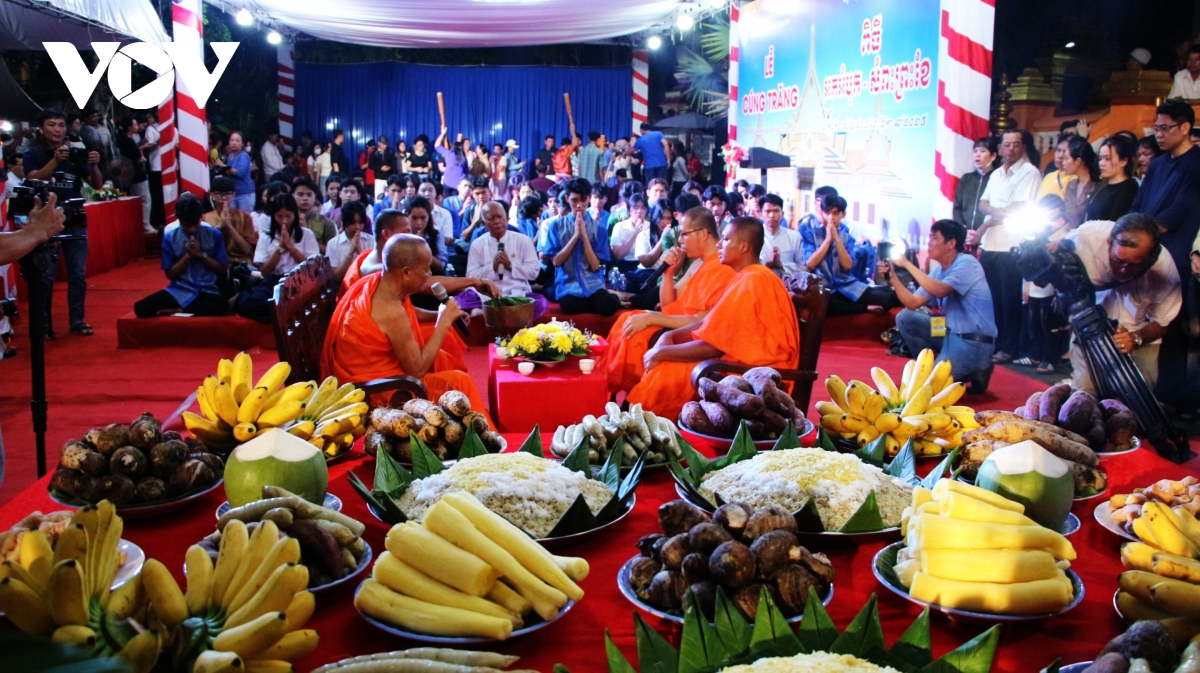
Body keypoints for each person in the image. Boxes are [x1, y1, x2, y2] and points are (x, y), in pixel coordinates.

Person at [626, 217, 800, 419]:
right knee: (665, 359)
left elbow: (714, 345)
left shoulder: (753, 280)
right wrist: (670, 336)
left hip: (758, 377)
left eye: (726, 239)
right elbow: (709, 324)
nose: (719, 244)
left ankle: (638, 421)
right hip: (737, 364)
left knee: (667, 369)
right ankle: (636, 417)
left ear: (744, 247)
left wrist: (662, 352)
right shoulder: (746, 276)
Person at [320, 234, 490, 412]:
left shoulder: (378, 282)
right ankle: (476, 429)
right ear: (406, 272)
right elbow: (417, 370)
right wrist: (443, 322)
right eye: (426, 269)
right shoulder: (390, 310)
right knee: (461, 382)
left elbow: (409, 312)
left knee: (440, 357)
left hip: (378, 374)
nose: (429, 274)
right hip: (380, 390)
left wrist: (439, 315)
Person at [601, 207, 736, 396]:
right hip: (676, 324)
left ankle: (633, 392)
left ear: (703, 234)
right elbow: (668, 306)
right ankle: (612, 385)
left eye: (684, 234)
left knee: (636, 332)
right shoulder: (699, 264)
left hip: (689, 335)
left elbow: (702, 321)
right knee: (627, 319)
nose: (680, 240)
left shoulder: (724, 269)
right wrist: (668, 272)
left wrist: (651, 318)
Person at [1129, 100, 1200, 413]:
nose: (1158, 134)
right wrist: (1129, 231)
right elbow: (1139, 204)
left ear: (1185, 127)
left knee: (1179, 331)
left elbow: (1180, 209)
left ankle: (1181, 398)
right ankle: (1153, 390)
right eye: (1156, 128)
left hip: (1179, 254)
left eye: (1165, 128)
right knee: (1149, 322)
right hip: (1149, 255)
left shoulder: (1196, 164)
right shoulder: (1157, 165)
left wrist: (1144, 234)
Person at [1066, 215, 1181, 395]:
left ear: (1151, 257)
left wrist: (1136, 338)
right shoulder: (1086, 237)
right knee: (1084, 397)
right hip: (1090, 328)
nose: (1123, 270)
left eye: (1134, 265)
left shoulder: (1165, 271)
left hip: (1140, 335)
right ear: (1109, 243)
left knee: (1137, 402)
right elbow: (1056, 255)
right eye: (1117, 261)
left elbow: (1162, 323)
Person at [881, 219, 997, 388]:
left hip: (972, 341)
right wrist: (892, 276)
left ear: (951, 243)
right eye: (929, 238)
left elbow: (940, 290)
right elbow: (912, 302)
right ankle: (929, 366)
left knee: (928, 388)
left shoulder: (968, 263)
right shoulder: (939, 270)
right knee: (905, 317)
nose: (929, 243)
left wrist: (907, 264)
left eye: (934, 238)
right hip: (948, 332)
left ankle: (979, 369)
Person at [23, 108, 103, 338]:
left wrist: (95, 164)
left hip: (74, 217)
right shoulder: (33, 154)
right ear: (41, 129)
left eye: (61, 125)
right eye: (51, 125)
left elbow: (96, 184)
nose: (57, 129)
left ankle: (77, 319)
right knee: (46, 275)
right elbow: (34, 179)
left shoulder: (76, 153)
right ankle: (44, 324)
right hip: (45, 221)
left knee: (77, 273)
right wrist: (56, 160)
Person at [969, 129, 1040, 365]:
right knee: (993, 300)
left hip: (1012, 245)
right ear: (999, 148)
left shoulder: (1029, 173)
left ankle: (1010, 348)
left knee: (1010, 300)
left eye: (1016, 144)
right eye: (1006, 144)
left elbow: (1019, 209)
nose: (1011, 148)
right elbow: (983, 204)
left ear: (1023, 147)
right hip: (991, 244)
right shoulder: (997, 173)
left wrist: (989, 219)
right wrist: (997, 213)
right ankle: (995, 343)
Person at [134, 193, 229, 318]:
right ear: (179, 220)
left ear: (201, 217)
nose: (192, 229)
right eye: (187, 225)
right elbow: (170, 274)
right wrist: (188, 255)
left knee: (222, 305)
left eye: (195, 224)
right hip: (179, 290)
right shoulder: (170, 238)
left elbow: (223, 268)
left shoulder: (214, 234)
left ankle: (180, 310)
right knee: (141, 308)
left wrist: (201, 255)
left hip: (207, 290)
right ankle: (189, 309)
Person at [803, 193, 899, 315]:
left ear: (843, 214)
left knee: (891, 297)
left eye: (835, 213)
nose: (831, 218)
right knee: (823, 303)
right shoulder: (811, 235)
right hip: (823, 289)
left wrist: (837, 239)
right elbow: (810, 264)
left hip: (847, 286)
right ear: (822, 213)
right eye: (828, 213)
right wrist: (827, 240)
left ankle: (856, 306)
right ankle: (864, 308)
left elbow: (848, 266)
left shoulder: (847, 238)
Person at [462, 201, 547, 319]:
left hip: (516, 292)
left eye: (499, 216)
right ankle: (508, 314)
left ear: (507, 218)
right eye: (491, 218)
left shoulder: (524, 240)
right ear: (483, 223)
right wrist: (492, 267)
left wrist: (510, 266)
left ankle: (487, 312)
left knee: (540, 302)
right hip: (486, 294)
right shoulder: (477, 244)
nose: (497, 221)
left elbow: (533, 272)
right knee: (463, 300)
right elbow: (470, 276)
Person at [545, 177, 618, 315]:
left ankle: (605, 300)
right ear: (567, 198)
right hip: (568, 285)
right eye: (574, 200)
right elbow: (556, 262)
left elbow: (595, 266)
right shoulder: (556, 226)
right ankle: (597, 304)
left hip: (593, 284)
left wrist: (584, 236)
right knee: (568, 305)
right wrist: (575, 236)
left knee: (608, 307)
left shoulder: (599, 228)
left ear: (589, 198)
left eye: (583, 200)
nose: (579, 205)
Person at [253, 193, 321, 277]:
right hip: (274, 280)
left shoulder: (307, 234)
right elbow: (264, 271)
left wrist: (290, 247)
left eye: (288, 216)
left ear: (295, 215)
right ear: (273, 216)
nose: (284, 221)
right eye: (279, 216)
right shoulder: (265, 236)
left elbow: (312, 267)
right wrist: (280, 247)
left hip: (301, 279)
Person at [201, 176, 258, 264]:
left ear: (233, 195)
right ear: (212, 195)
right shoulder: (205, 218)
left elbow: (248, 251)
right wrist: (220, 227)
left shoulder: (246, 217)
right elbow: (206, 248)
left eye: (227, 194)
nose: (224, 198)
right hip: (215, 263)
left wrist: (229, 226)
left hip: (241, 262)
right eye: (220, 194)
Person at [1087, 136, 1139, 222]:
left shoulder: (1129, 188)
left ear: (1123, 161)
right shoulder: (1103, 186)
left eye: (1107, 159)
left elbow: (1116, 221)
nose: (1101, 163)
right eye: (1100, 159)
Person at [115, 116, 152, 234]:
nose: (137, 126)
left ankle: (139, 225)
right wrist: (143, 155)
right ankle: (145, 225)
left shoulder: (125, 140)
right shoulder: (128, 141)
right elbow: (140, 158)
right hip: (137, 174)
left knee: (136, 200)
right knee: (145, 200)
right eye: (135, 124)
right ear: (129, 127)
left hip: (130, 175)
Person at [953, 137, 997, 231]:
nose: (978, 155)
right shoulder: (966, 179)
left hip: (988, 233)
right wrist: (964, 230)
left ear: (993, 156)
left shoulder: (998, 178)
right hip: (965, 234)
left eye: (982, 151)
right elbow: (957, 208)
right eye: (975, 151)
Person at [759, 194, 803, 277]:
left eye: (776, 211)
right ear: (760, 214)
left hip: (787, 283)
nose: (772, 215)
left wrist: (781, 266)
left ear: (782, 214)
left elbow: (802, 267)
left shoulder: (794, 237)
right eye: (768, 211)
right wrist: (768, 265)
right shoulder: (754, 237)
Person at [1060, 135, 1100, 228]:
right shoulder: (1071, 185)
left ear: (1078, 161)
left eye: (1066, 158)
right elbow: (1068, 217)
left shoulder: (1099, 186)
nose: (1063, 163)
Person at [327, 201, 371, 280]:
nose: (357, 227)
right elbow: (335, 277)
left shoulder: (371, 240)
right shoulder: (333, 244)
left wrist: (359, 251)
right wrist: (350, 252)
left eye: (360, 222)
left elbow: (373, 273)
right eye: (353, 223)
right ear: (344, 222)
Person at [213, 131, 255, 212]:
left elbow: (239, 173)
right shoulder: (230, 156)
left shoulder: (244, 155)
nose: (234, 143)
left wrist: (223, 165)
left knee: (244, 218)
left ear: (242, 144)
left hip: (245, 194)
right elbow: (228, 172)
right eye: (232, 140)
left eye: (237, 141)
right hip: (233, 193)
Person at [609, 194, 651, 273]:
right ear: (629, 209)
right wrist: (634, 234)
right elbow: (618, 256)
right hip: (626, 264)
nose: (639, 211)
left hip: (645, 264)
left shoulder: (650, 227)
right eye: (635, 208)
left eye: (643, 208)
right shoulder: (620, 227)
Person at [141, 111, 164, 229]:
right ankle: (157, 220)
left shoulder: (170, 128)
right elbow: (149, 148)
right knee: (156, 195)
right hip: (156, 167)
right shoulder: (151, 129)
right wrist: (160, 141)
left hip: (168, 167)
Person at [1037, 134, 1078, 199]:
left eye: (1065, 151)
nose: (1060, 155)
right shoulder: (1048, 177)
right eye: (1058, 150)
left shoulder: (1076, 179)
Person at [418, 179, 455, 249]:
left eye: (430, 190)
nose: (427, 193)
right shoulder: (408, 212)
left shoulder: (445, 213)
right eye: (423, 190)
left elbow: (447, 240)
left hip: (438, 250)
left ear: (435, 193)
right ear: (417, 193)